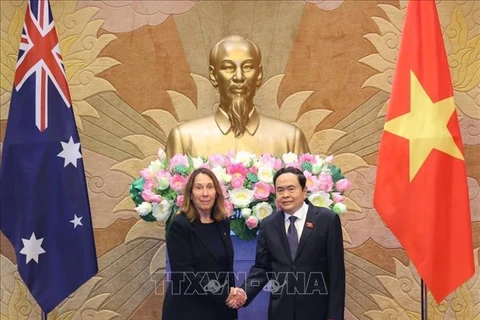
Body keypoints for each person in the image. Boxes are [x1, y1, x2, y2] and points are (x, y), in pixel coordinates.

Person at [228, 167, 345, 320]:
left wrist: (335, 315)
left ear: (304, 191)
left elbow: (336, 272)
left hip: (317, 310)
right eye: (280, 190)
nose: (285, 195)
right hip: (281, 311)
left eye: (291, 189)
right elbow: (262, 267)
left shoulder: (326, 220)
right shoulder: (269, 224)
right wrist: (245, 292)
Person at [165, 35, 310, 158]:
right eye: (228, 67)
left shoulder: (290, 139)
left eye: (247, 67)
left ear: (259, 75)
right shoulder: (184, 139)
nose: (239, 77)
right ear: (213, 75)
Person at [162, 168, 245, 320]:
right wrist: (225, 292)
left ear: (216, 193)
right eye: (199, 188)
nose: (205, 193)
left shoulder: (222, 222)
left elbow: (226, 269)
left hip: (220, 308)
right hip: (188, 309)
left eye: (210, 187)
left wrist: (230, 296)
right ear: (191, 194)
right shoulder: (180, 225)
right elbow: (184, 275)